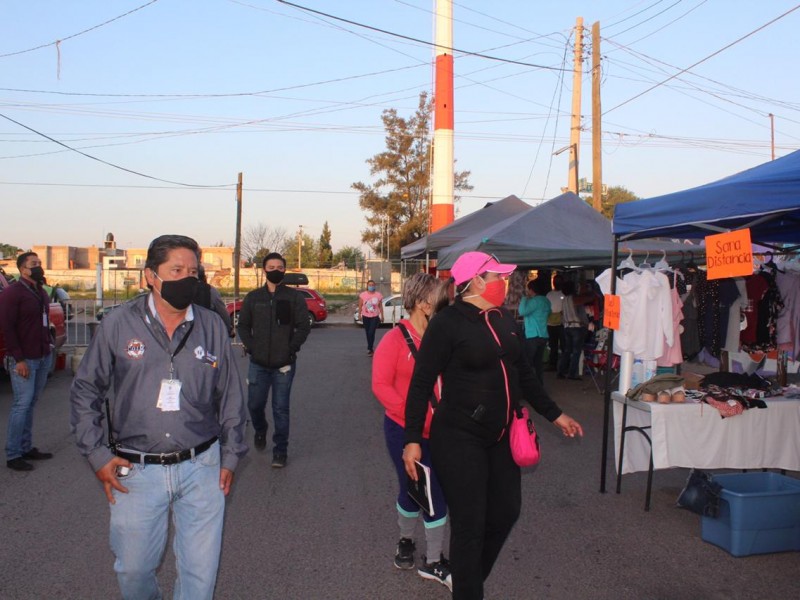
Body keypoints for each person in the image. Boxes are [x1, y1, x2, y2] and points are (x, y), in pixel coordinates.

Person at [69, 234, 248, 600]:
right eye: (177, 270)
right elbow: (86, 390)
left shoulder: (213, 327)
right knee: (133, 571)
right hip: (135, 471)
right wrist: (97, 455)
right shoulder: (118, 324)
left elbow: (231, 396)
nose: (187, 278)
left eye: (193, 271)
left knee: (199, 578)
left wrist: (230, 456)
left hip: (202, 467)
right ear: (151, 275)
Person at [403, 251, 583, 600]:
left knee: (506, 511)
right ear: (476, 281)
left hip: (500, 434)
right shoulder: (448, 323)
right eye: (497, 277)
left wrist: (554, 414)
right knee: (469, 525)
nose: (504, 283)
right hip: (457, 437)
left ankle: (466, 577)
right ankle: (468, 588)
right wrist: (412, 438)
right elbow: (421, 383)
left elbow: (525, 375)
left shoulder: (503, 319)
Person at [372, 273, 451, 590]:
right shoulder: (393, 340)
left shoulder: (442, 337)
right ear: (421, 302)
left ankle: (430, 556)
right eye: (438, 297)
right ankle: (418, 549)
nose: (445, 302)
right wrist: (415, 418)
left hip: (443, 432)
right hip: (404, 432)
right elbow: (380, 385)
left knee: (429, 491)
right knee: (418, 490)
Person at [238, 252, 310, 467]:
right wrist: (252, 348)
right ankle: (261, 430)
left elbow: (303, 326)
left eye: (280, 267)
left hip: (284, 364)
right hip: (258, 363)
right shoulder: (253, 298)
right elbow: (242, 326)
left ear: (284, 270)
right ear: (264, 269)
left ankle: (280, 451)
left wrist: (291, 349)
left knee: (281, 408)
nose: (276, 270)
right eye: (271, 267)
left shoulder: (294, 297)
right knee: (254, 404)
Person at [0, 252, 55, 471]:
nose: (38, 267)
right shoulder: (13, 294)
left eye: (40, 263)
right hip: (24, 359)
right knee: (21, 405)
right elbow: (8, 328)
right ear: (23, 269)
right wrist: (18, 358)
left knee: (30, 403)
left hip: (42, 355)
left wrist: (48, 346)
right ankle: (13, 454)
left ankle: (25, 447)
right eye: (34, 264)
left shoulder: (39, 292)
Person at [518, 277, 551, 383]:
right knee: (538, 362)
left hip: (532, 335)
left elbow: (522, 312)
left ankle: (527, 385)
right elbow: (549, 312)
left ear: (532, 290)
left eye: (528, 289)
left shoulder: (534, 301)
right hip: (543, 335)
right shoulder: (546, 301)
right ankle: (539, 384)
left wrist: (524, 298)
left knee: (527, 362)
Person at [557, 280, 591, 381]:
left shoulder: (564, 299)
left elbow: (562, 313)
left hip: (567, 327)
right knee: (576, 352)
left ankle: (561, 372)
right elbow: (588, 299)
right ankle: (572, 373)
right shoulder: (575, 299)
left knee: (567, 351)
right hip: (577, 327)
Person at [193, 264, 234, 337]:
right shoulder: (210, 290)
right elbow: (222, 312)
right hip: (206, 332)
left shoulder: (180, 290)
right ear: (204, 276)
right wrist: (229, 329)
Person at [358, 279, 384, 355]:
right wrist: (359, 314)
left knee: (371, 332)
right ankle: (370, 348)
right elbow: (360, 305)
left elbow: (380, 306)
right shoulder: (363, 295)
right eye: (370, 285)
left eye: (372, 285)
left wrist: (382, 315)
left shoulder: (378, 295)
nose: (371, 286)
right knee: (368, 333)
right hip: (365, 316)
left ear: (375, 286)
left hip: (374, 316)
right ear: (367, 286)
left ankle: (370, 348)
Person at [545, 274, 564, 371]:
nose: (556, 283)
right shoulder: (549, 294)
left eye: (558, 281)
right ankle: (553, 364)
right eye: (555, 281)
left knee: (563, 345)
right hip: (550, 323)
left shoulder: (564, 295)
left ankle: (563, 366)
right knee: (553, 345)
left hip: (562, 323)